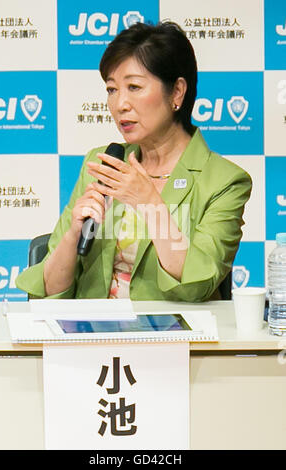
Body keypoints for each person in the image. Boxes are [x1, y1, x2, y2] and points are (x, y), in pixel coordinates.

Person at [16, 21, 252, 302]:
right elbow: (49, 291)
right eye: (112, 89)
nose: (120, 104)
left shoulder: (223, 181)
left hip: (171, 340)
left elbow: (197, 285)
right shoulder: (103, 162)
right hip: (89, 336)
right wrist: (71, 237)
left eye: (134, 87)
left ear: (176, 92)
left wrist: (150, 205)